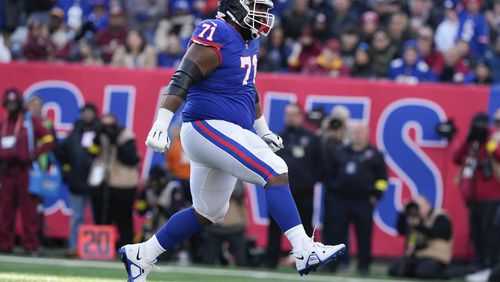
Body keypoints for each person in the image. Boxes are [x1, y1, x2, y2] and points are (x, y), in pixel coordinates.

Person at [119, 0, 346, 280]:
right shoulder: (218, 31)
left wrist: (262, 129)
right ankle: (303, 249)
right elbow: (182, 77)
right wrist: (162, 122)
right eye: (257, 8)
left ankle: (141, 254)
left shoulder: (249, 40)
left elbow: (248, 88)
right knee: (275, 170)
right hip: (206, 125)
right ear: (235, 8)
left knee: (209, 211)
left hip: (222, 130)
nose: (263, 15)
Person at [322, 122, 388, 275]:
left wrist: (375, 195)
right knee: (336, 234)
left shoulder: (375, 154)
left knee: (364, 234)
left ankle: (363, 265)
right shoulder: (340, 152)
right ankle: (333, 265)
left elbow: (382, 179)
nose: (357, 134)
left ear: (367, 133)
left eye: (360, 131)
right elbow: (328, 174)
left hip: (363, 201)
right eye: (354, 131)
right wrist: (332, 192)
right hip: (340, 200)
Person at [265, 103, 323, 269]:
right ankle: (271, 260)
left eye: (294, 114)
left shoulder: (311, 139)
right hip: (280, 191)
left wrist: (308, 182)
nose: (290, 118)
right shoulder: (277, 139)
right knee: (275, 226)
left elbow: (321, 166)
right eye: (287, 114)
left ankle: (306, 260)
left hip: (304, 192)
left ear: (300, 116)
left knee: (304, 228)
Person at [0, 88, 55, 255]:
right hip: (6, 171)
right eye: (9, 103)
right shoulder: (3, 123)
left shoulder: (30, 122)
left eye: (15, 103)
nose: (12, 106)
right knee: (5, 210)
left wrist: (33, 154)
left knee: (29, 210)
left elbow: (49, 140)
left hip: (25, 171)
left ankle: (30, 245)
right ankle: (4, 244)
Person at [453, 112, 500, 274]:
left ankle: (491, 263)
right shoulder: (472, 142)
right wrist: (468, 139)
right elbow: (457, 158)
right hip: (473, 197)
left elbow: (498, 155)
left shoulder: (493, 139)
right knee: (476, 231)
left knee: (491, 232)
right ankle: (479, 262)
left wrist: (488, 142)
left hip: (493, 196)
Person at [88, 114, 140, 248]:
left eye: (110, 126)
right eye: (104, 126)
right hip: (103, 183)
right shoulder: (101, 137)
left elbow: (131, 159)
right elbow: (91, 152)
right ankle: (101, 247)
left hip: (123, 185)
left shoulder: (126, 136)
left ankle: (127, 248)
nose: (108, 129)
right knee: (102, 217)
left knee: (124, 220)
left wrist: (116, 141)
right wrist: (98, 136)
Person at [56, 103, 100, 257]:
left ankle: (96, 248)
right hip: (76, 181)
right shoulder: (74, 133)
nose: (87, 115)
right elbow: (62, 154)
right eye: (85, 112)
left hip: (95, 182)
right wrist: (67, 171)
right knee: (77, 216)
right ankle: (74, 246)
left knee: (96, 217)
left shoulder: (100, 133)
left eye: (90, 112)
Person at [388, 197, 453, 279]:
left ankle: (445, 272)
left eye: (420, 206)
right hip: (418, 257)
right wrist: (402, 214)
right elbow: (401, 231)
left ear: (428, 205)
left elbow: (440, 233)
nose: (418, 209)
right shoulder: (415, 219)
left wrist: (419, 226)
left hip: (436, 257)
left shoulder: (440, 216)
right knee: (396, 269)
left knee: (424, 272)